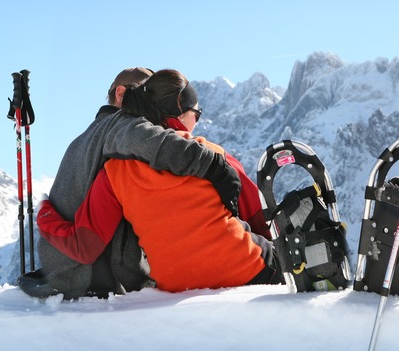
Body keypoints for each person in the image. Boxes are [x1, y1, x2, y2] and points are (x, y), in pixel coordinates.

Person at [40, 69, 282, 292]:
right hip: (246, 267)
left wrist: (45, 215)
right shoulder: (208, 153)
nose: (198, 121)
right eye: (197, 114)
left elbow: (86, 243)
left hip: (174, 284)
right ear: (180, 112)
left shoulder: (112, 171)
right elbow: (259, 218)